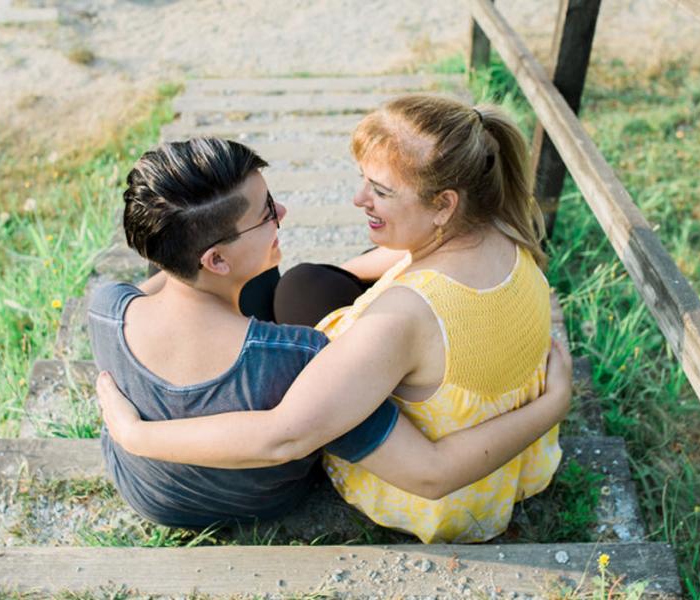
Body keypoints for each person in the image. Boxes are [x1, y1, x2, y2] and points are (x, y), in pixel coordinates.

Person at [97, 94, 564, 543]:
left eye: (380, 191)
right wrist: (342, 273)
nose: (359, 198)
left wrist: (134, 434)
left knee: (291, 287)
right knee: (305, 282)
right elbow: (396, 264)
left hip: (425, 484)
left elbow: (288, 440)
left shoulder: (396, 323)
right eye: (365, 179)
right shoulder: (501, 224)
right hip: (465, 399)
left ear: (444, 205)